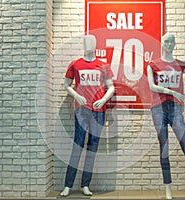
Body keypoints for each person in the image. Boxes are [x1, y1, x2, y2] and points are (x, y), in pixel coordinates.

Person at [147, 33, 185, 199]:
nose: (169, 44)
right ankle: (168, 190)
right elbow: (152, 86)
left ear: (175, 44)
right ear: (161, 43)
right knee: (164, 148)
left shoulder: (181, 65)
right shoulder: (153, 64)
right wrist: (171, 91)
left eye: (172, 41)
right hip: (158, 108)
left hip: (175, 108)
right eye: (166, 41)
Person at [60, 34, 115, 197]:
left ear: (96, 44)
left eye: (92, 41)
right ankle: (67, 185)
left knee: (92, 148)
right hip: (81, 110)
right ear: (83, 44)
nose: (89, 43)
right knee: (77, 146)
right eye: (86, 41)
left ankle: (85, 184)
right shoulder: (75, 64)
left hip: (99, 111)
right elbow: (66, 85)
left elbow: (111, 87)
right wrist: (76, 96)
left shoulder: (103, 65)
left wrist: (104, 99)